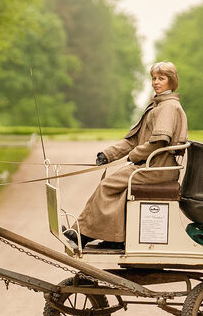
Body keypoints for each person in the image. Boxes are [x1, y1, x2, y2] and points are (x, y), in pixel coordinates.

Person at [68, 61, 189, 251]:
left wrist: (134, 155)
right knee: (117, 185)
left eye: (162, 78)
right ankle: (111, 236)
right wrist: (107, 155)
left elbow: (158, 142)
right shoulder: (157, 105)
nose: (156, 82)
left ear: (171, 82)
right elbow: (133, 141)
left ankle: (84, 234)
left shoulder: (168, 107)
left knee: (109, 185)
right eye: (154, 78)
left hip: (158, 168)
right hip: (152, 165)